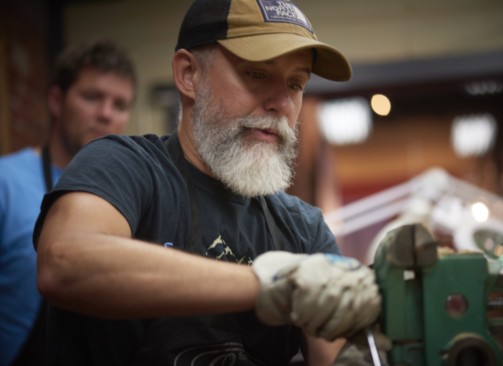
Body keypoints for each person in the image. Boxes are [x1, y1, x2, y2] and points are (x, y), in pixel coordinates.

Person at [33, 1, 381, 365]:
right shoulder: (122, 166)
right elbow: (65, 261)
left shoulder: (303, 228)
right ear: (188, 75)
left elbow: (335, 357)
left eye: (295, 84)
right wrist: (272, 285)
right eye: (257, 74)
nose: (281, 103)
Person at [0, 40, 136, 366]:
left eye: (119, 104)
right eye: (92, 97)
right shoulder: (6, 182)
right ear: (56, 101)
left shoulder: (132, 195)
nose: (105, 113)